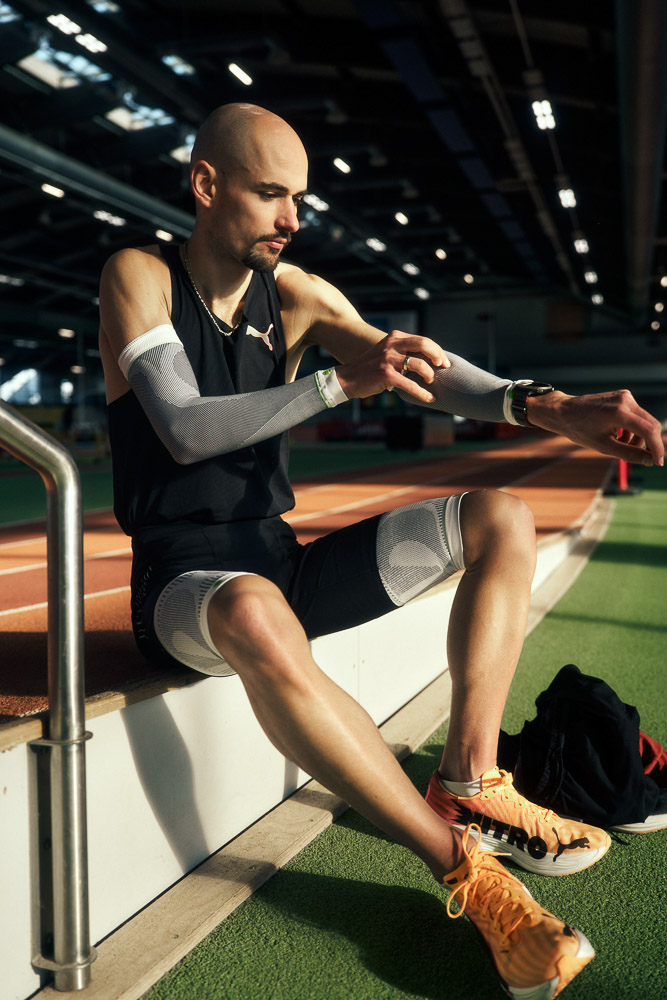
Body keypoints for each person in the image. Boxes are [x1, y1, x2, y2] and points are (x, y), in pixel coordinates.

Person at [98, 103, 664, 999]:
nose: (293, 218)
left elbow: (424, 365)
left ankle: (469, 780)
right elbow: (181, 429)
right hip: (186, 584)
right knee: (252, 607)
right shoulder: (139, 276)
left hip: (277, 561)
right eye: (270, 193)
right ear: (206, 186)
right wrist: (331, 381)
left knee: (501, 516)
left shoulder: (296, 295)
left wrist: (556, 407)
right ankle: (465, 875)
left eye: (300, 198)